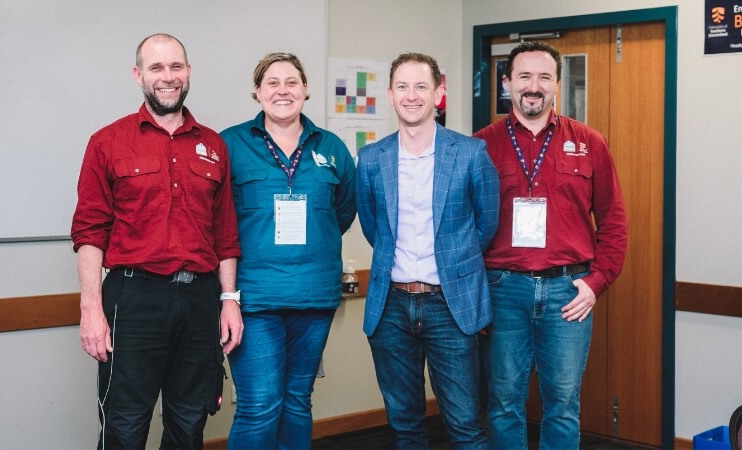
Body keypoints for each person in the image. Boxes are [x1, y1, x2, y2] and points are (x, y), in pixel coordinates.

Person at [71, 34, 242, 449]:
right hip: (133, 299)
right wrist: (91, 308)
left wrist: (229, 300)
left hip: (200, 301)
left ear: (188, 72)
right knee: (125, 426)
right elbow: (90, 231)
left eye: (176, 67)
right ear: (138, 75)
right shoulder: (107, 142)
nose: (168, 77)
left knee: (189, 423)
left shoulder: (214, 145)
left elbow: (225, 235)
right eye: (157, 68)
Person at [473, 41, 628, 450]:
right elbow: (462, 227)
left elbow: (614, 222)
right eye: (524, 76)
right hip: (503, 290)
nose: (534, 86)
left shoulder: (590, 142)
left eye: (544, 77)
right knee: (504, 402)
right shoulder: (480, 146)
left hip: (568, 292)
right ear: (507, 83)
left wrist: (596, 283)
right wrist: (474, 293)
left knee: (562, 403)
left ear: (557, 83)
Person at [356, 52, 499, 449]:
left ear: (439, 93)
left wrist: (454, 266)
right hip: (391, 308)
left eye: (422, 86)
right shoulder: (371, 158)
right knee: (404, 425)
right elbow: (374, 229)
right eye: (403, 86)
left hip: (449, 306)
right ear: (389, 94)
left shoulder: (470, 153)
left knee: (465, 426)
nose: (412, 95)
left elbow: (485, 225)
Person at [220, 52, 356, 449]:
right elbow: (216, 219)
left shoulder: (331, 147)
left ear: (306, 90)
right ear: (257, 92)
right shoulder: (230, 144)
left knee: (298, 402)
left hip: (314, 296)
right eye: (273, 83)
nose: (283, 90)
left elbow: (342, 212)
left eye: (292, 82)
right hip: (254, 299)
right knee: (259, 405)